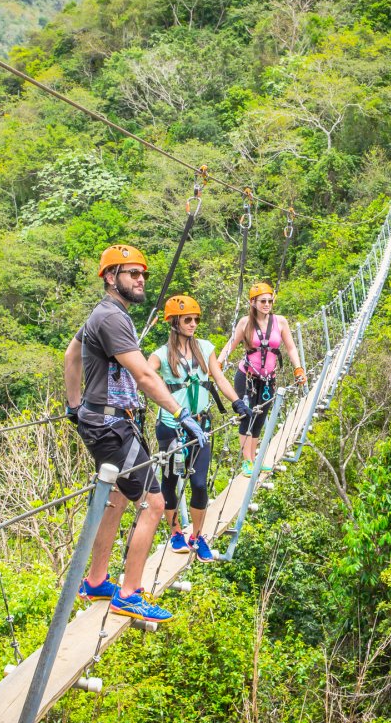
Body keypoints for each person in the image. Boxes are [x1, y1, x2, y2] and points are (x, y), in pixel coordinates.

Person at [64, 244, 208, 622]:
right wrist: (181, 412)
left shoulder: (106, 314)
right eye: (132, 273)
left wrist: (75, 405)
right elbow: (145, 375)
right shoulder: (111, 318)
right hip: (112, 426)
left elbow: (71, 355)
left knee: (117, 497)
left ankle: (96, 581)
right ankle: (128, 594)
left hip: (105, 421)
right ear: (111, 278)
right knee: (155, 504)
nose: (141, 280)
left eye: (142, 274)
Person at [148, 295, 251, 563]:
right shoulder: (160, 355)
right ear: (173, 322)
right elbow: (145, 378)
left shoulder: (205, 348)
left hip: (201, 426)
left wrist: (237, 401)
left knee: (199, 483)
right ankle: (175, 532)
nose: (193, 324)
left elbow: (218, 377)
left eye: (196, 319)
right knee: (170, 482)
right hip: (171, 427)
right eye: (187, 320)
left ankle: (197, 535)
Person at [218, 282, 307, 476]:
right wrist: (217, 364)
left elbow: (290, 347)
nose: (267, 304)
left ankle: (254, 459)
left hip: (268, 379)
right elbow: (230, 346)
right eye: (262, 301)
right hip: (247, 377)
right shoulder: (245, 323)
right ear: (253, 302)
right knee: (246, 415)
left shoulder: (280, 322)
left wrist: (298, 368)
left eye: (269, 301)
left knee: (260, 418)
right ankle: (247, 461)